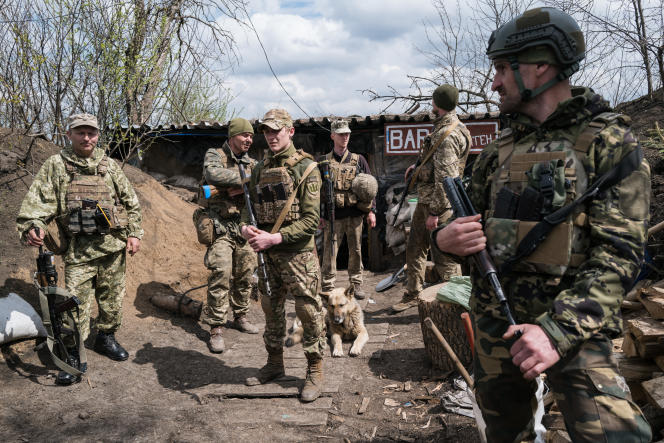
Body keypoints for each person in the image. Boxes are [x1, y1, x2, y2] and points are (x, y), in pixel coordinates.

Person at [433, 7, 652, 442]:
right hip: (497, 326)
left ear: (539, 66)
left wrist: (554, 332)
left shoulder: (608, 144)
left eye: (501, 69)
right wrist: (444, 237)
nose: (494, 83)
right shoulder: (497, 152)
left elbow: (620, 258)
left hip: (575, 330)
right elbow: (461, 220)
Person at [17, 113, 143, 386]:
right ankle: (73, 353)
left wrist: (134, 233)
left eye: (91, 133)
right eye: (80, 133)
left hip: (112, 248)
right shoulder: (56, 165)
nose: (87, 138)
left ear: (98, 135)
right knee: (74, 305)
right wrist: (33, 226)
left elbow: (131, 202)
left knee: (112, 300)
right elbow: (38, 204)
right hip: (78, 252)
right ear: (69, 134)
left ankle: (106, 337)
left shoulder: (109, 166)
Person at [240, 108, 326, 402]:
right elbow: (247, 209)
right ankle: (274, 363)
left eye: (276, 130)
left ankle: (314, 370)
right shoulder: (259, 169)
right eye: (266, 131)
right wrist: (245, 229)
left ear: (290, 131)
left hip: (298, 256)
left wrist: (275, 237)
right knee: (271, 308)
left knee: (308, 311)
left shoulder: (307, 169)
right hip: (267, 256)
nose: (271, 136)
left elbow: (311, 222)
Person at [391, 84, 471, 313]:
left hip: (439, 206)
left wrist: (435, 213)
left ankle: (455, 305)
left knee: (445, 257)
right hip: (427, 201)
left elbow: (447, 179)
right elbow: (439, 165)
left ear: (437, 104)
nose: (431, 105)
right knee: (415, 247)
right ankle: (413, 292)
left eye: (433, 101)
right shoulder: (449, 127)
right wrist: (418, 168)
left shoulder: (448, 135)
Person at [199, 118, 260, 353]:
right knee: (221, 274)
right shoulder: (215, 154)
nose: (248, 139)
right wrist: (245, 180)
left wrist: (241, 184)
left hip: (244, 225)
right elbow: (213, 175)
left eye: (251, 136)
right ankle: (216, 327)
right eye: (244, 135)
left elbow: (261, 183)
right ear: (232, 136)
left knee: (245, 273)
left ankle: (240, 316)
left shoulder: (252, 162)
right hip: (220, 225)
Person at [319, 119, 376, 301]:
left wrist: (371, 211)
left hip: (355, 213)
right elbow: (316, 191)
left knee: (356, 250)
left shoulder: (359, 160)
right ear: (332, 136)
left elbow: (370, 187)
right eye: (341, 134)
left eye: (347, 134)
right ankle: (327, 286)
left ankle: (356, 284)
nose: (345, 137)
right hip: (332, 215)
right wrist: (319, 215)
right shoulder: (323, 161)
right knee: (330, 251)